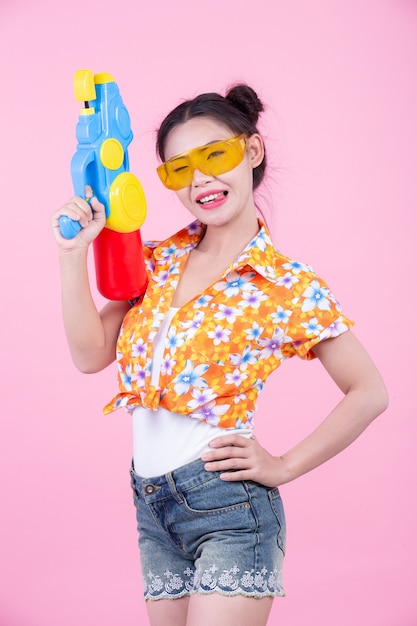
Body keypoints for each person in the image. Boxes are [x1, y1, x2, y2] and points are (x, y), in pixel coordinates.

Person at [51, 84, 388, 626]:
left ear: (250, 152)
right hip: (152, 505)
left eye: (215, 156)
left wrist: (282, 466)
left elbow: (370, 392)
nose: (200, 179)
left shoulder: (285, 284)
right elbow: (91, 355)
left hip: (229, 508)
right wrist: (72, 255)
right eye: (178, 169)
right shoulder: (155, 262)